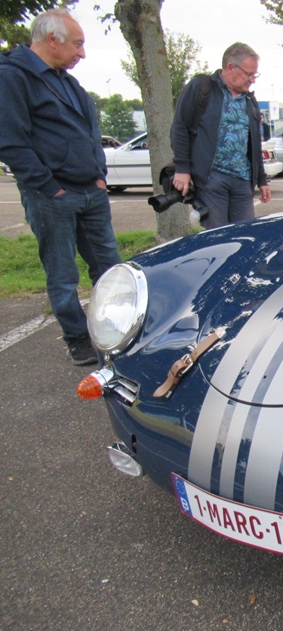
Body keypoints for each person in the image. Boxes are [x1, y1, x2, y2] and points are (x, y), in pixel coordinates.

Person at [0, 8, 122, 366]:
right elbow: (10, 141)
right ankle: (77, 338)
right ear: (52, 39)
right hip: (52, 195)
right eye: (77, 44)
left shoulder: (67, 82)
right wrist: (48, 186)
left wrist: (99, 175)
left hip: (90, 191)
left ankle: (117, 328)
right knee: (63, 274)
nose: (82, 53)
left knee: (111, 268)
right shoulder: (12, 77)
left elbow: (90, 131)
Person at [170, 42, 271, 229]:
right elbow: (180, 127)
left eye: (255, 75)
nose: (252, 80)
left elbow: (254, 144)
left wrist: (262, 180)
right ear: (230, 67)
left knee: (246, 235)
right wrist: (182, 169)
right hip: (211, 179)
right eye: (249, 74)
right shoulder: (202, 87)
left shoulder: (250, 100)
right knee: (218, 237)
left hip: (243, 181)